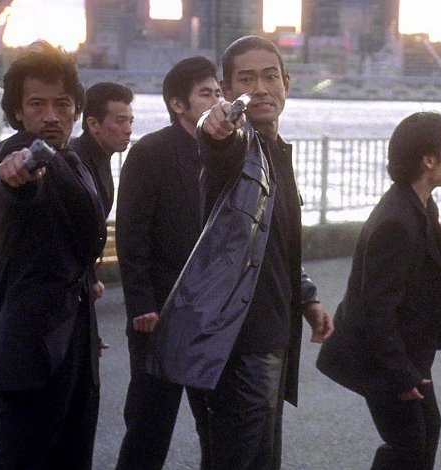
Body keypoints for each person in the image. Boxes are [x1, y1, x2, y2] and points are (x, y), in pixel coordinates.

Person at [145, 35, 334, 469]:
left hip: (272, 334)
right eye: (246, 80)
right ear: (227, 91)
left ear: (287, 83)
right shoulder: (238, 147)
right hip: (239, 343)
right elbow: (216, 143)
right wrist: (215, 129)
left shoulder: (275, 151)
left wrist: (307, 297)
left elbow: (275, 241)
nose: (261, 88)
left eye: (270, 77)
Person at [0, 40, 107, 469]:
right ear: (18, 112)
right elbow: (21, 176)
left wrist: (88, 288)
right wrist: (19, 173)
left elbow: (73, 239)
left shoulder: (75, 161)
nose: (51, 116)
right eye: (37, 104)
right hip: (31, 353)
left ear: (76, 109)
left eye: (62, 104)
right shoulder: (19, 151)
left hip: (76, 346)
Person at [316, 111, 441, 470]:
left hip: (406, 355)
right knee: (409, 447)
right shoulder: (397, 221)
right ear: (429, 160)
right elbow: (375, 310)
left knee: (423, 435)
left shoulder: (420, 205)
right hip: (383, 360)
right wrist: (400, 375)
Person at [114, 56, 220, 470]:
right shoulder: (150, 152)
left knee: (215, 425)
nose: (217, 101)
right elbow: (132, 234)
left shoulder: (224, 151)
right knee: (149, 425)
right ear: (178, 104)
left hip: (210, 315)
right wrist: (141, 303)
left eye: (218, 92)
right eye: (206, 94)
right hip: (159, 312)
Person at [70, 81, 134, 301]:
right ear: (93, 124)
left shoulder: (98, 157)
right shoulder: (74, 161)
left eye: (130, 121)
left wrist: (90, 276)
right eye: (121, 121)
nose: (129, 129)